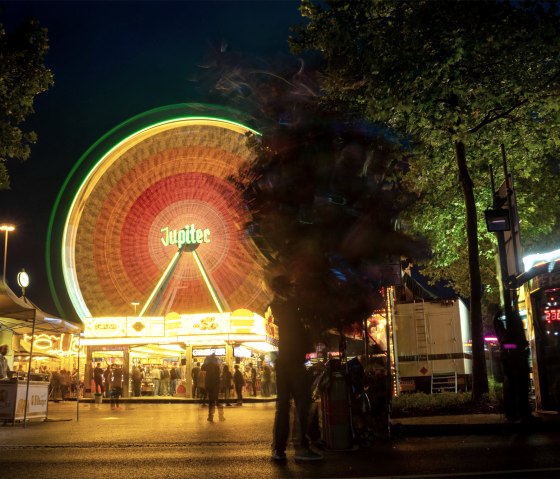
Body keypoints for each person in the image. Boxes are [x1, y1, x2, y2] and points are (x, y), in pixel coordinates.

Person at [270, 275, 322, 462]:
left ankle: (279, 449)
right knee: (302, 404)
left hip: (284, 362)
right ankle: (301, 447)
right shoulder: (289, 308)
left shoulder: (274, 306)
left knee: (283, 407)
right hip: (293, 362)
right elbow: (300, 331)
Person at [204, 353, 223, 422]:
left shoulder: (207, 367)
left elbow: (207, 378)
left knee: (211, 401)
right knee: (216, 400)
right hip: (215, 386)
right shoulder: (217, 366)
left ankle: (210, 416)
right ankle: (220, 416)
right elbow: (218, 377)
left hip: (210, 386)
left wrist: (206, 387)